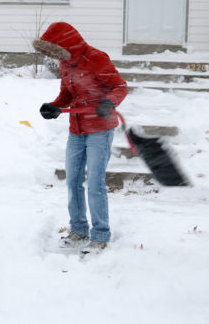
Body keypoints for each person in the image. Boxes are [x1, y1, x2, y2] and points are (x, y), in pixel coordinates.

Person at [33, 22, 128, 253]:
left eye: (57, 50)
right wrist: (54, 106)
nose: (58, 57)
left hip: (100, 129)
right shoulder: (65, 63)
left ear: (66, 44)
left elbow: (120, 86)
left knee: (95, 183)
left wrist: (110, 102)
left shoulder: (95, 58)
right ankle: (79, 229)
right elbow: (67, 93)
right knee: (73, 181)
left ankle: (101, 234)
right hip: (76, 130)